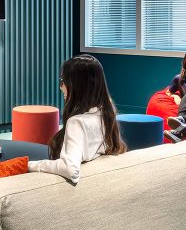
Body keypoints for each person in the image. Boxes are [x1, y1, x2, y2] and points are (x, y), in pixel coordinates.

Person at [29, 54, 126, 184]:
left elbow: (70, 169)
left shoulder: (77, 123)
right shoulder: (106, 112)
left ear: (77, 85)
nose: (61, 87)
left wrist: (30, 166)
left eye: (63, 81)